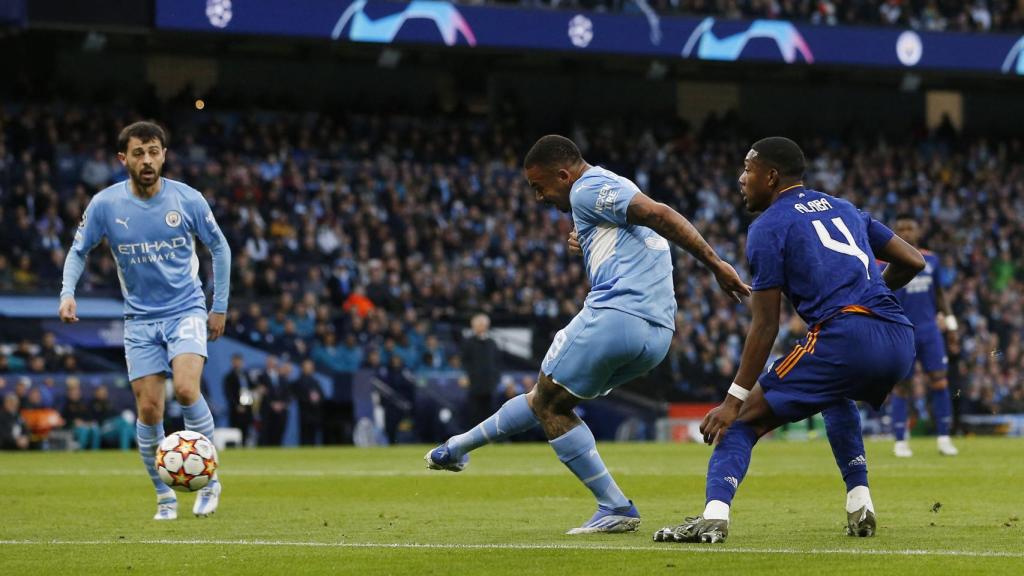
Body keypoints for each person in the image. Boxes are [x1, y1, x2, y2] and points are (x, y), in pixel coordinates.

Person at [426, 134, 750, 534]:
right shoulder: (610, 189)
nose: (539, 197)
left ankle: (615, 505)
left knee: (548, 405)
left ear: (564, 174)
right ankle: (457, 447)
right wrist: (591, 237)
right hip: (657, 336)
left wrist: (716, 263)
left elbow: (660, 214)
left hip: (617, 315)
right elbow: (636, 230)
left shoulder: (587, 188)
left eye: (539, 186)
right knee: (549, 400)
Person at [653, 137, 923, 545]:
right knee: (835, 394)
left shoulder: (768, 226)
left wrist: (731, 400)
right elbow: (913, 260)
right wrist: (870, 301)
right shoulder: (845, 207)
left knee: (742, 422)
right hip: (899, 335)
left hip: (846, 337)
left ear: (772, 176)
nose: (742, 178)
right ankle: (860, 500)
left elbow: (765, 326)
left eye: (748, 169)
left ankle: (713, 517)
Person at [59, 121, 231, 520]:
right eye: (138, 153)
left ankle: (211, 480)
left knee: (187, 390)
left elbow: (219, 248)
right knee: (150, 409)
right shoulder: (105, 205)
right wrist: (67, 292)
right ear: (124, 159)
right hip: (139, 319)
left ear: (164, 155)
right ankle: (164, 496)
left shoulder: (187, 200)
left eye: (154, 151)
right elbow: (78, 250)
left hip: (186, 309)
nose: (147, 160)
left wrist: (218, 306)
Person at [887, 215, 959, 457]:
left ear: (918, 232)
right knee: (901, 387)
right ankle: (900, 440)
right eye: (902, 228)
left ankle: (944, 438)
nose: (907, 232)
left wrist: (951, 326)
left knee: (940, 381)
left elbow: (940, 295)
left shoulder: (931, 259)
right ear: (895, 233)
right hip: (902, 332)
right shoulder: (882, 264)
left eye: (911, 228)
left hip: (929, 331)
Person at [460, 313, 500, 428]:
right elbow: (464, 361)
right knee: (475, 412)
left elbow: (497, 363)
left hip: (490, 384)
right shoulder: (468, 342)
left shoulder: (492, 343)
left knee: (490, 412)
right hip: (474, 384)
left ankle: (491, 438)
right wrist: (466, 376)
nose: (481, 327)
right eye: (479, 324)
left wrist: (496, 378)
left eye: (483, 324)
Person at [223, 353, 256, 446]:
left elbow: (251, 388)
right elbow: (228, 393)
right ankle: (234, 448)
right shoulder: (228, 377)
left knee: (246, 429)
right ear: (232, 362)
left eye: (239, 361)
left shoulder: (246, 375)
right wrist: (236, 405)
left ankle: (245, 446)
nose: (238, 363)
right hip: (236, 409)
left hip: (247, 407)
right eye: (236, 361)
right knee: (235, 430)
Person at [257, 355, 289, 446]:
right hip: (267, 409)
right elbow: (262, 392)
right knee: (266, 432)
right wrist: (272, 404)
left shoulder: (282, 377)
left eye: (273, 362)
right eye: (269, 362)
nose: (271, 364)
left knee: (278, 432)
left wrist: (281, 404)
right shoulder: (261, 377)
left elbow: (286, 393)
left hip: (281, 410)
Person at [292, 358, 325, 446]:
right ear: (303, 368)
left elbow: (322, 396)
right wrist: (310, 399)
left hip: (315, 414)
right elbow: (298, 395)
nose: (309, 369)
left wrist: (317, 399)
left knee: (313, 437)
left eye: (311, 367)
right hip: (304, 413)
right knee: (304, 437)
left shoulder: (315, 382)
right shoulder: (298, 382)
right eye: (307, 367)